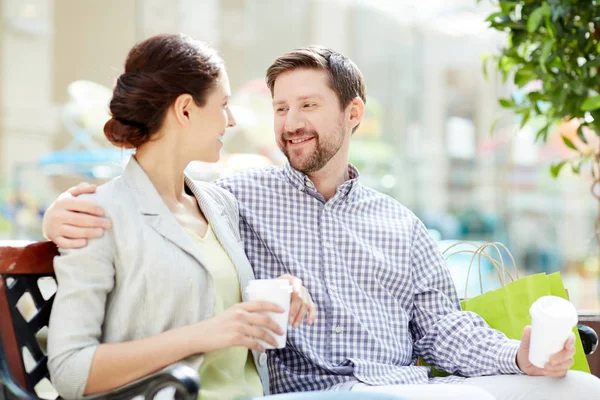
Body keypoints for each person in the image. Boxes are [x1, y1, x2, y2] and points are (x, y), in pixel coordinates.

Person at [44, 45, 600, 400]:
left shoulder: (400, 224)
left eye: (307, 106)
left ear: (352, 113)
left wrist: (518, 356)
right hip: (310, 391)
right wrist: (56, 214)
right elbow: (148, 200)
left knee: (576, 387)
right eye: (282, 109)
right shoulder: (237, 198)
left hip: (402, 386)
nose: (289, 124)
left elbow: (443, 329)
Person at [46, 34, 315, 400]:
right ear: (186, 110)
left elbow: (219, 295)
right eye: (223, 105)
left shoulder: (221, 204)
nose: (232, 120)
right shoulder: (96, 215)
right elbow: (70, 372)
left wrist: (285, 286)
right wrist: (203, 334)